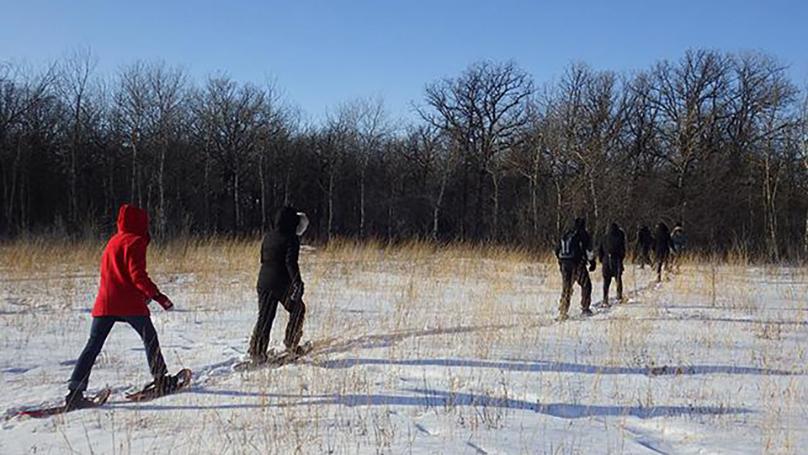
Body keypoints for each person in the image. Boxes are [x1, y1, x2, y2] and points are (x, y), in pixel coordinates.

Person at [65, 204, 178, 410]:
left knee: (93, 346)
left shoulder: (113, 241)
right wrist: (158, 297)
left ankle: (75, 392)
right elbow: (137, 276)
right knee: (149, 338)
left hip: (105, 303)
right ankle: (161, 379)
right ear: (141, 223)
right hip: (128, 303)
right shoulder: (136, 242)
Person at [249, 206, 309, 362]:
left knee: (265, 316)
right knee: (298, 308)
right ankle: (291, 344)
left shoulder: (269, 236)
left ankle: (256, 351)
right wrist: (297, 282)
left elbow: (262, 258)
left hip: (263, 280)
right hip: (279, 282)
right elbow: (291, 262)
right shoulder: (291, 238)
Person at [554, 217, 595, 321]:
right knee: (586, 285)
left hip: (564, 264)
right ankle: (585, 308)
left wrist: (560, 262)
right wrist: (592, 262)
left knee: (566, 287)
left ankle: (563, 310)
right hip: (577, 263)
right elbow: (589, 250)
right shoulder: (583, 234)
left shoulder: (566, 233)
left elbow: (557, 249)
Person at [599, 222, 626, 305]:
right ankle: (619, 296)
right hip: (616, 260)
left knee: (606, 281)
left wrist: (602, 260)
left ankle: (605, 298)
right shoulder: (620, 237)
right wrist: (621, 259)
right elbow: (623, 250)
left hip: (606, 261)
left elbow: (600, 250)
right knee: (618, 279)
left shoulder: (604, 237)